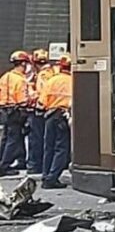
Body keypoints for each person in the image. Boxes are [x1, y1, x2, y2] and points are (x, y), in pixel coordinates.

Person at [39, 54, 72, 190]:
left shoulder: (51, 81)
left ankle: (46, 175)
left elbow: (41, 102)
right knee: (61, 148)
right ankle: (52, 178)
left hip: (50, 115)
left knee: (48, 147)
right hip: (62, 116)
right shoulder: (73, 81)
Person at [0, 50, 33, 176]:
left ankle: (6, 161)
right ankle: (4, 166)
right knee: (13, 139)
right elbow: (22, 100)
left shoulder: (5, 77)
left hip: (4, 110)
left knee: (6, 138)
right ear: (24, 64)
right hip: (16, 111)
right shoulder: (20, 80)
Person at [26, 49, 53, 176]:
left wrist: (32, 93)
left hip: (41, 111)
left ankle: (36, 165)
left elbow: (42, 93)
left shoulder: (42, 76)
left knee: (37, 139)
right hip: (51, 110)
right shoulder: (52, 73)